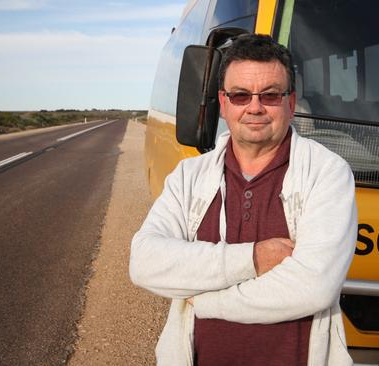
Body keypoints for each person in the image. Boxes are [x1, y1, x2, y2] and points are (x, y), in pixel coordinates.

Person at [130, 33, 357, 366]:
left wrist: (205, 301)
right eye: (240, 95)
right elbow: (144, 263)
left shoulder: (327, 173)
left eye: (270, 95)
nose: (255, 107)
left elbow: (313, 286)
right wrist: (253, 258)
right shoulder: (188, 176)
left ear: (290, 103)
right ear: (223, 104)